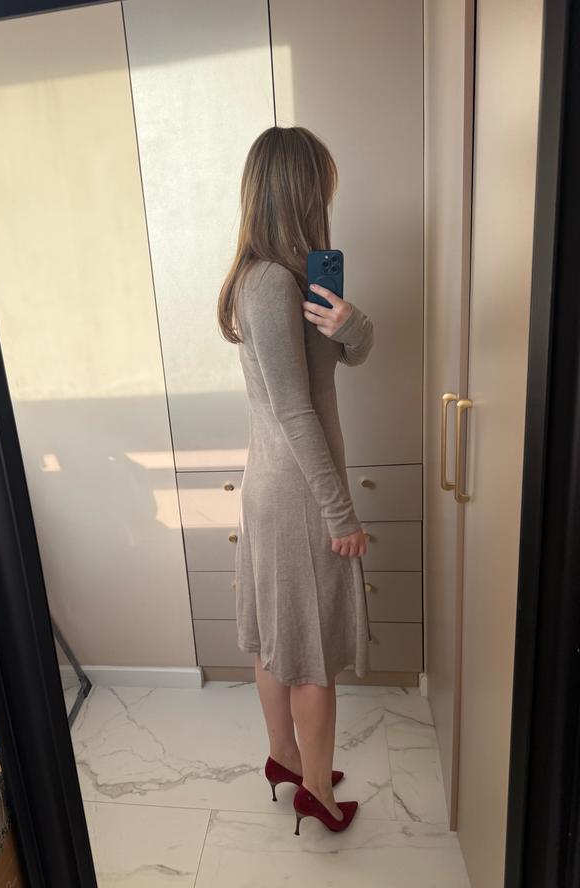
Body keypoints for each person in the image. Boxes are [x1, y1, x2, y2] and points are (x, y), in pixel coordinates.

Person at [217, 126, 375, 835]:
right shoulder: (273, 284)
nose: (328, 197)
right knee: (310, 654)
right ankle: (315, 789)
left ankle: (286, 758)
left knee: (279, 639)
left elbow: (351, 357)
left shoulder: (287, 277)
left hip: (278, 483)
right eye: (322, 184)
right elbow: (293, 408)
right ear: (301, 190)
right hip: (297, 494)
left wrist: (350, 324)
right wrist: (340, 513)